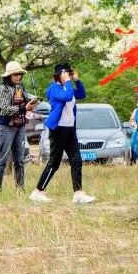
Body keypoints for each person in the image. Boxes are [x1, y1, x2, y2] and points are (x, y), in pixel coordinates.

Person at [31, 63, 95, 204]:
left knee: (77, 160)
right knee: (54, 163)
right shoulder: (54, 89)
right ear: (59, 74)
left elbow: (82, 94)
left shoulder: (68, 87)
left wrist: (76, 80)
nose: (68, 76)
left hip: (70, 129)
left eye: (69, 73)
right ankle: (38, 191)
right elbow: (66, 97)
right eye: (66, 73)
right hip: (58, 130)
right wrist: (67, 82)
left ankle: (78, 193)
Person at [0, 61, 37, 189]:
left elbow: (24, 103)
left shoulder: (21, 87)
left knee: (20, 160)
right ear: (8, 76)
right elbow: (3, 109)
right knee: (2, 159)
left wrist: (32, 103)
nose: (18, 77)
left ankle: (20, 188)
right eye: (15, 74)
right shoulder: (3, 89)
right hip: (6, 126)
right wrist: (23, 108)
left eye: (20, 74)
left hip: (20, 126)